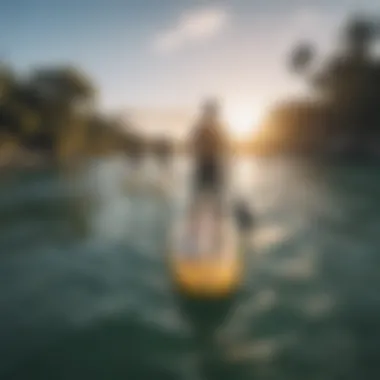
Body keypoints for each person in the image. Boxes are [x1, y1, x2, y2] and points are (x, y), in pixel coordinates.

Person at [189, 99, 230, 198]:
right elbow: (194, 144)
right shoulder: (203, 128)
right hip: (205, 164)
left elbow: (223, 145)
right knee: (204, 193)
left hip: (211, 164)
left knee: (214, 193)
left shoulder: (215, 128)